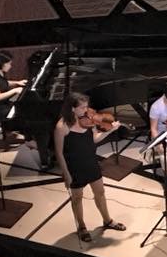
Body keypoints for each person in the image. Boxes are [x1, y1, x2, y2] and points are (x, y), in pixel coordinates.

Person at [53, 92, 126, 243]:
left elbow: (94, 139)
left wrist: (110, 130)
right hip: (75, 166)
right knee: (77, 198)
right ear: (72, 109)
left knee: (100, 192)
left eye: (86, 106)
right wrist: (66, 174)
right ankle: (81, 227)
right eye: (82, 107)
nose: (86, 110)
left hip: (91, 162)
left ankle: (107, 220)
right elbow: (59, 153)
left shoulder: (87, 120)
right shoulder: (62, 126)